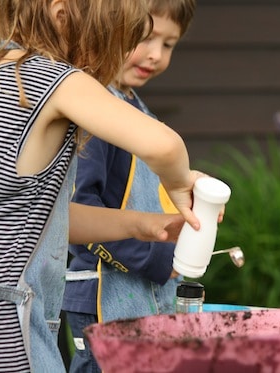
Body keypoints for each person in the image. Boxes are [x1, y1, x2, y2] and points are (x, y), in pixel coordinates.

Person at [0, 0, 205, 372]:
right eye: (113, 34)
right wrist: (180, 185)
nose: (115, 52)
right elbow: (166, 146)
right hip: (1, 311)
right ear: (62, 15)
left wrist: (142, 225)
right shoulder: (57, 79)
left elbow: (48, 219)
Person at [62, 0, 196, 371]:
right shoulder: (96, 109)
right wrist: (156, 258)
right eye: (145, 37)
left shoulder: (137, 109)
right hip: (102, 296)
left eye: (168, 44)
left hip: (144, 295)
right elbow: (77, 208)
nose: (154, 55)